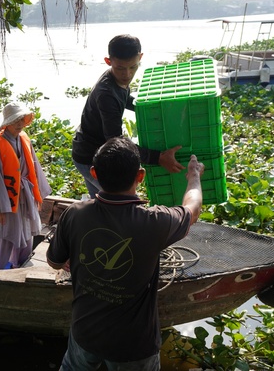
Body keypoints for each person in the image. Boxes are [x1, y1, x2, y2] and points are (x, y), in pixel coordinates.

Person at [47, 136, 204, 371]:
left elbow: (53, 261)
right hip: (133, 346)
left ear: (94, 173)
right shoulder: (155, 222)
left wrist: (70, 260)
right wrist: (193, 176)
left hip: (85, 332)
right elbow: (192, 210)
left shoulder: (74, 214)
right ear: (140, 176)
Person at [72, 34, 184, 198]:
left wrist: (145, 108)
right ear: (108, 61)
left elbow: (122, 99)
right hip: (89, 157)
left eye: (133, 67)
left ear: (140, 57)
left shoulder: (116, 79)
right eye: (120, 68)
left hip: (91, 150)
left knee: (102, 205)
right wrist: (158, 158)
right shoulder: (106, 94)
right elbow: (116, 142)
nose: (127, 74)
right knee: (120, 200)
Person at [0, 102, 52, 273]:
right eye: (16, 120)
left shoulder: (24, 139)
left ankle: (19, 267)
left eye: (22, 119)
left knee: (26, 234)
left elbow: (34, 169)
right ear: (7, 122)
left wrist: (38, 195)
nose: (20, 124)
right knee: (2, 236)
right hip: (5, 201)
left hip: (25, 196)